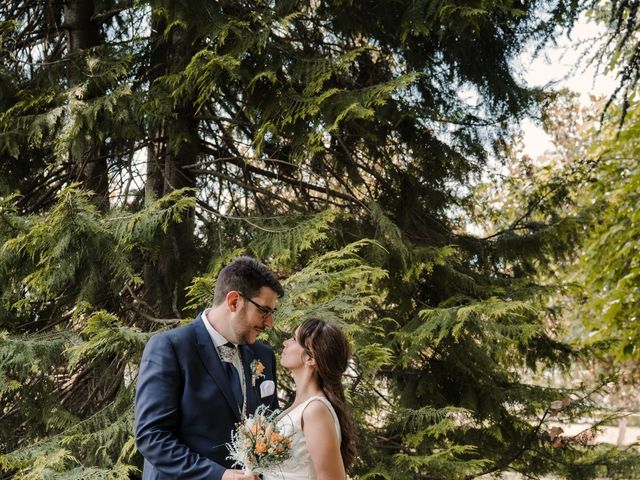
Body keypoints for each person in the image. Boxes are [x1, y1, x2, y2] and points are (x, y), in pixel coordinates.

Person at [135, 255, 284, 480]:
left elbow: (270, 428)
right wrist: (220, 476)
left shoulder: (263, 355)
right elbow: (152, 437)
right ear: (234, 301)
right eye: (264, 311)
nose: (270, 323)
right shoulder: (171, 348)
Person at [264, 318, 356, 480]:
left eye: (293, 339)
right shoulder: (301, 406)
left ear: (310, 358)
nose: (285, 343)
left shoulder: (315, 410)